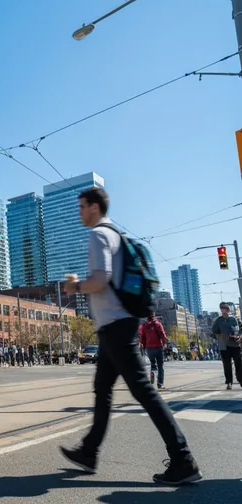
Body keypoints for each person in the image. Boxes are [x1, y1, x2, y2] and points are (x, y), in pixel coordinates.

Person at [59, 187, 201, 485]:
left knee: (143, 392)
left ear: (95, 207)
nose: (80, 212)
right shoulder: (115, 235)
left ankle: (183, 458)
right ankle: (89, 451)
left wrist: (74, 286)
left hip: (116, 325)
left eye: (82, 206)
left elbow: (100, 280)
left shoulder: (99, 235)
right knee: (103, 390)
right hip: (116, 324)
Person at [211, 303, 241, 390]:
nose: (224, 310)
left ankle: (240, 379)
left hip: (235, 344)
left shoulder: (235, 319)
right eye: (222, 309)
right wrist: (220, 336)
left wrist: (240, 336)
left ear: (228, 310)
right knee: (227, 365)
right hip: (224, 345)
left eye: (225, 309)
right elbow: (213, 333)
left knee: (239, 364)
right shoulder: (218, 321)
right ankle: (229, 382)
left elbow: (240, 329)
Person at [139, 313, 167, 389]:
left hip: (149, 348)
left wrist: (144, 345)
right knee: (160, 366)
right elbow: (162, 334)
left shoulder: (144, 326)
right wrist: (164, 342)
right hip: (158, 347)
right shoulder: (157, 324)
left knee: (152, 364)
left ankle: (153, 372)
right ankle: (160, 383)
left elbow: (143, 337)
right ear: (154, 316)